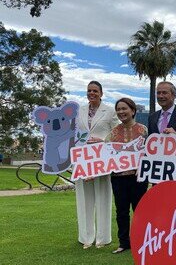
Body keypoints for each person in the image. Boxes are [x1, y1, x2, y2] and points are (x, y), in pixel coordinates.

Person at [75, 80, 119, 249]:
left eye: (95, 90)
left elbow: (117, 134)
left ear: (101, 93)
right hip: (81, 160)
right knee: (83, 198)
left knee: (103, 197)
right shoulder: (79, 111)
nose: (91, 93)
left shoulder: (110, 111)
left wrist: (102, 141)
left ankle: (103, 238)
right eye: (89, 90)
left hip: (102, 160)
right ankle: (85, 237)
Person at [106, 98, 149, 254]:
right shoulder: (113, 132)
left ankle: (141, 241)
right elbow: (105, 154)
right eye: (118, 109)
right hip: (118, 178)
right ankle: (124, 243)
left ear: (132, 110)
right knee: (122, 212)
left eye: (124, 108)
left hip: (138, 178)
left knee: (140, 210)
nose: (121, 112)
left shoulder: (143, 130)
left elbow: (148, 152)